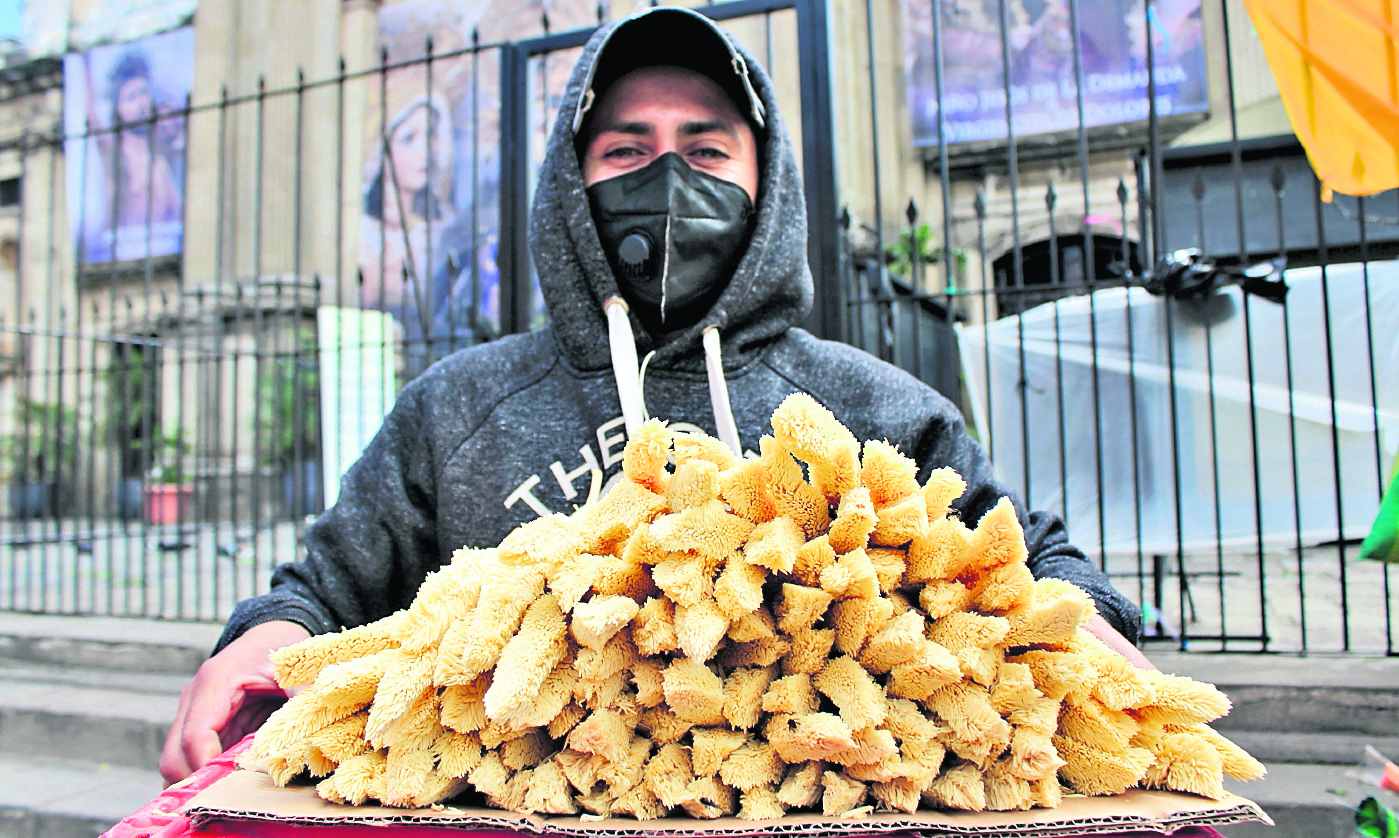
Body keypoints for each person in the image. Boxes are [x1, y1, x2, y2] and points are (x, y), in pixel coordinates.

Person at [160, 6, 1146, 786]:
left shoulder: (874, 409)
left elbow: (1026, 557)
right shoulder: (453, 410)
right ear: (570, 183)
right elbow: (326, 590)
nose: (668, 177)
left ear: (767, 186)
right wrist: (262, 640)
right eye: (626, 150)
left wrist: (1075, 613)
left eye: (707, 150)